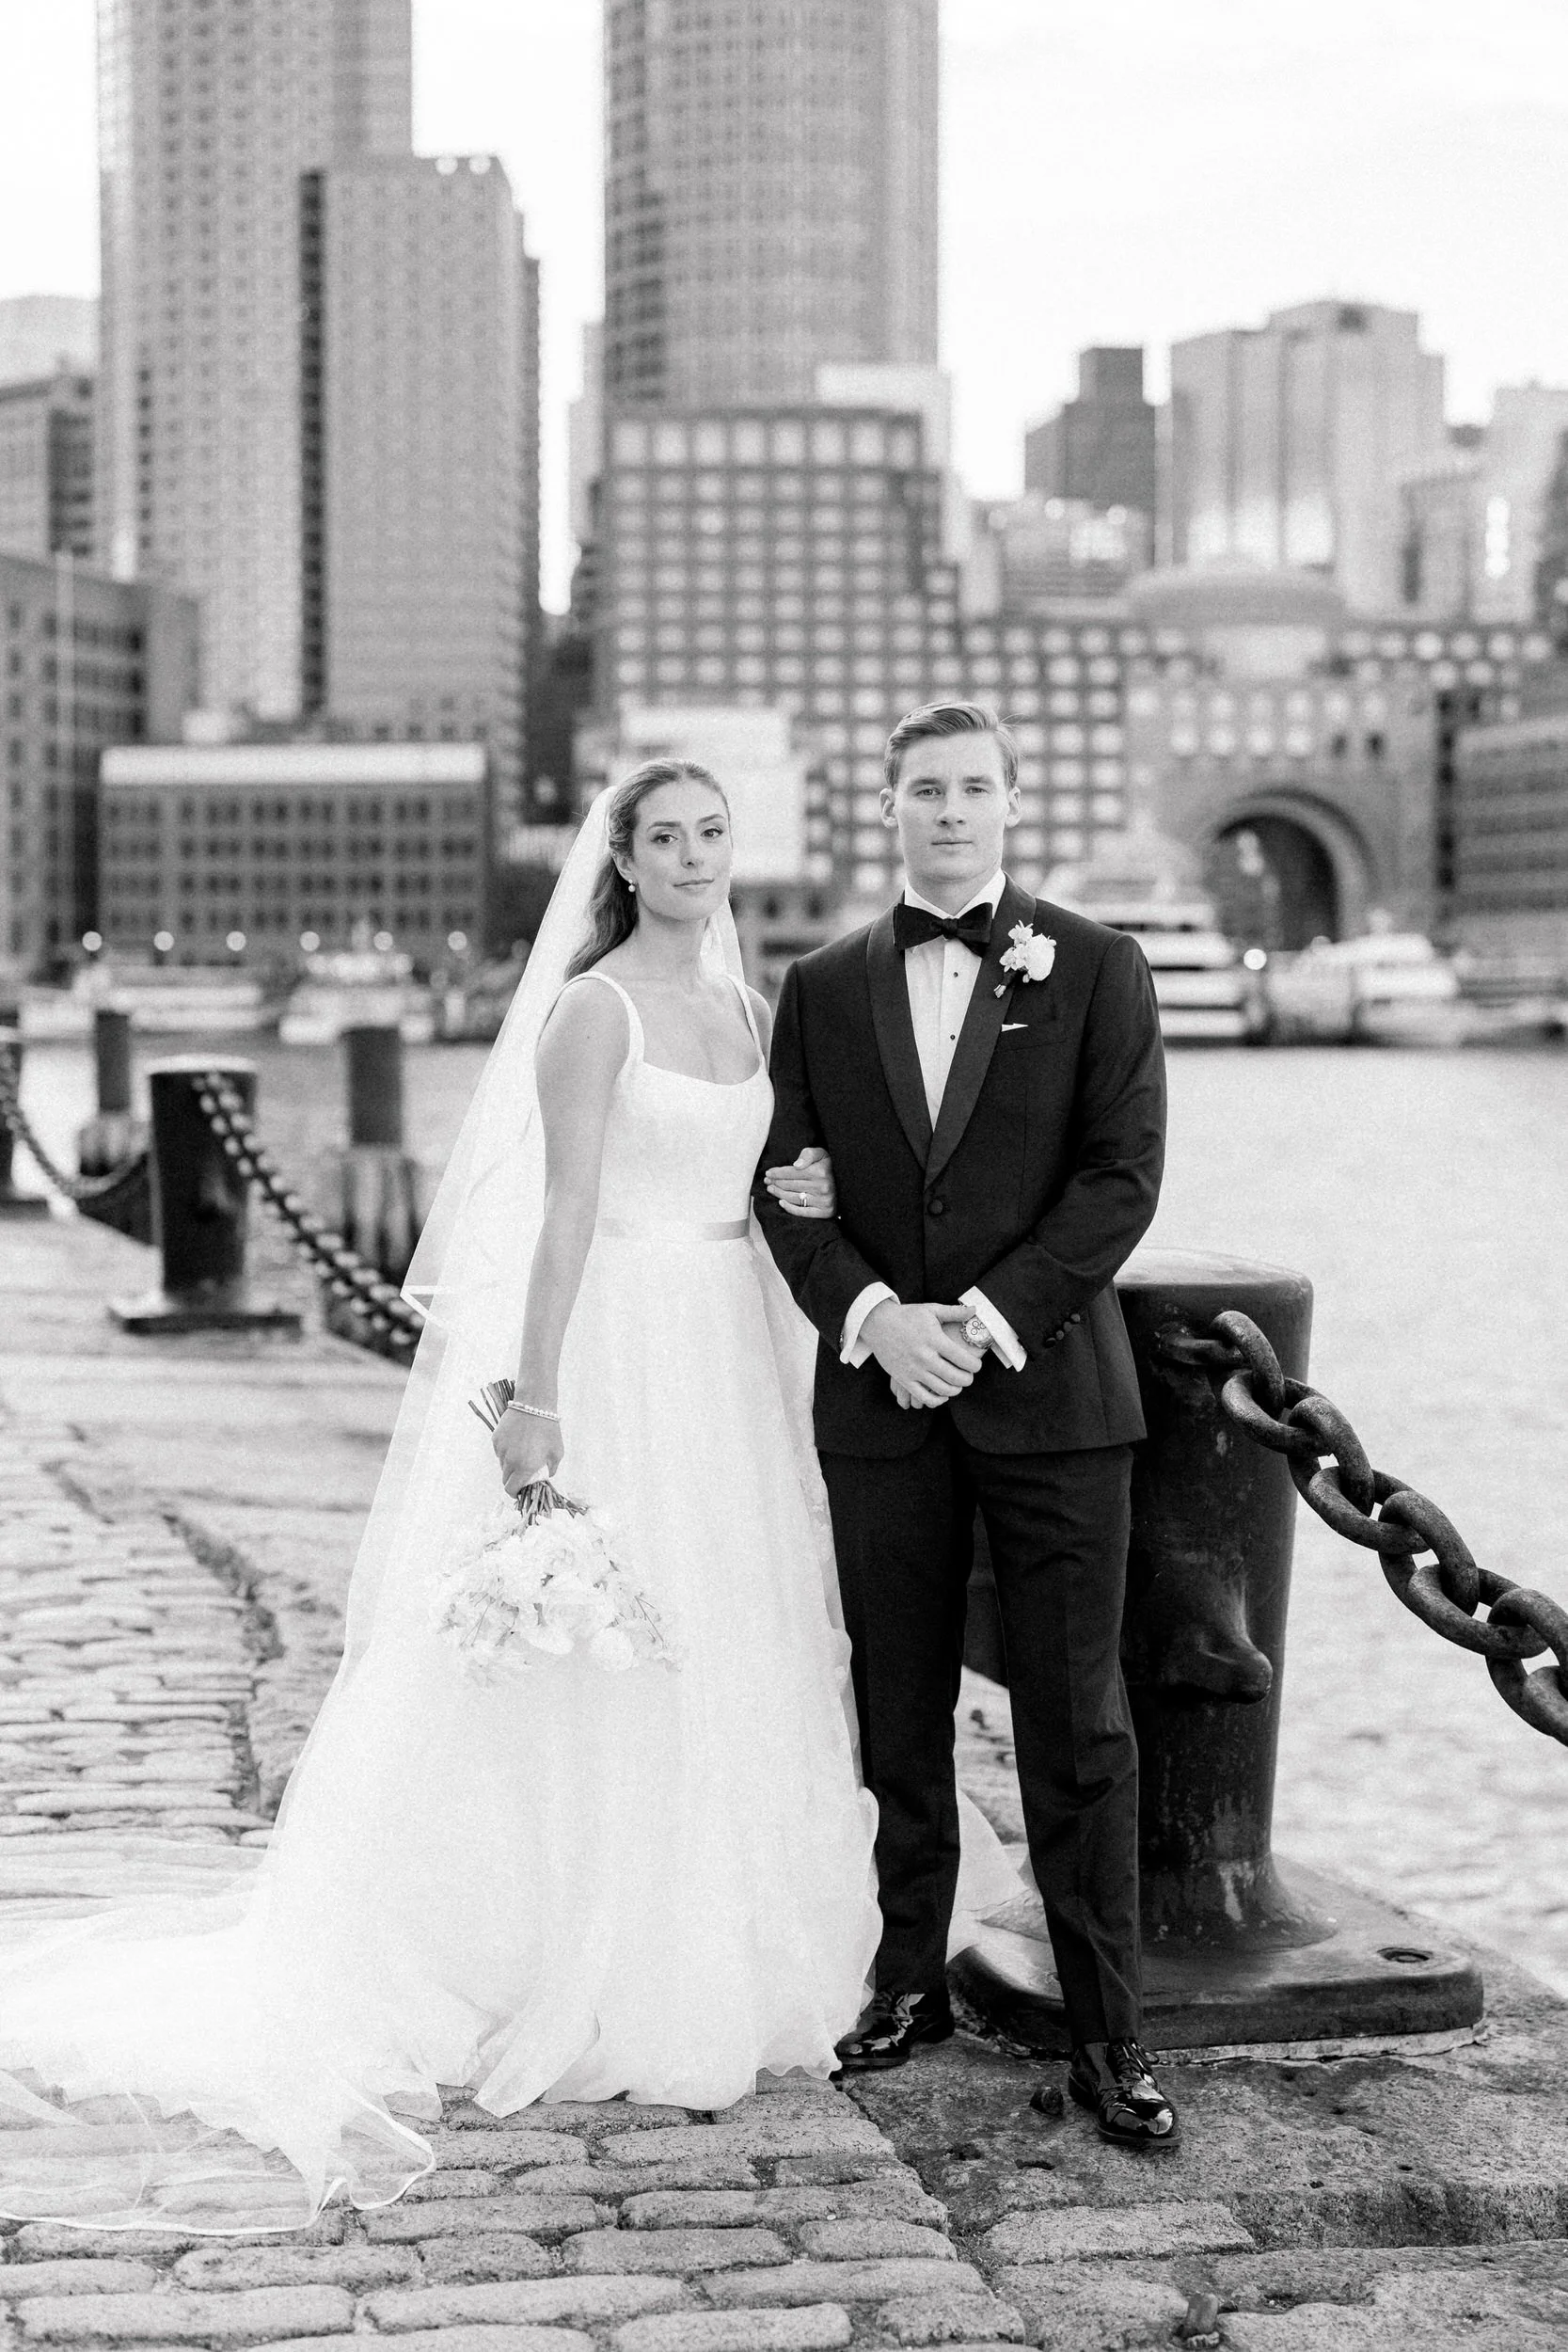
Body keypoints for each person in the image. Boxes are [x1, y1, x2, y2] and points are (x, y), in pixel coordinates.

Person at [0, 763, 1022, 2234]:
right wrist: (534, 1402)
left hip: (726, 1352)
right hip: (618, 1341)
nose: (692, 857)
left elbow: (774, 1185)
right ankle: (558, 1942)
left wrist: (808, 1205)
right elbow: (563, 1213)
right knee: (606, 1644)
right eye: (664, 838)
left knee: (731, 1620)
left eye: (711, 834)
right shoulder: (592, 1010)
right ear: (624, 862)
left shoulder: (752, 1012)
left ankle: (721, 1919)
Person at [753, 701, 1180, 2151]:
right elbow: (784, 1183)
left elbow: (1121, 1179)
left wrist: (984, 1321)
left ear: (1010, 801)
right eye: (922, 789)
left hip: (1051, 1401)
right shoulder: (819, 986)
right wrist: (875, 1318)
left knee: (1078, 1725)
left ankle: (1107, 2035)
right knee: (896, 1709)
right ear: (886, 808)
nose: (947, 811)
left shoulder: (1099, 966)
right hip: (880, 1403)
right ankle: (905, 1980)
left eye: (971, 788)